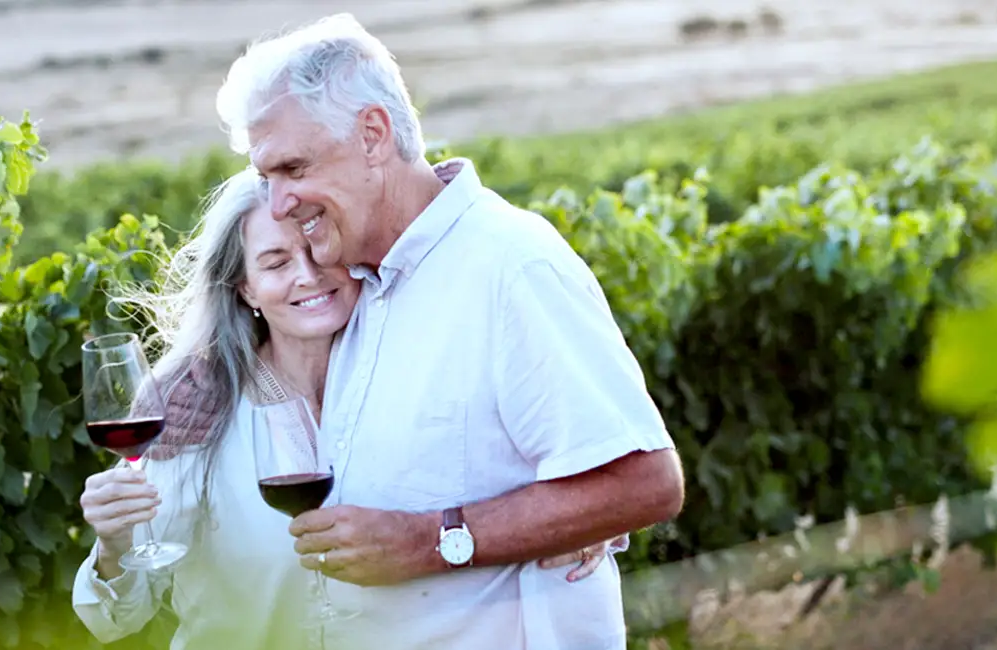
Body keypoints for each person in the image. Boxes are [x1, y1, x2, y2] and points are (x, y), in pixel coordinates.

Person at [204, 12, 687, 649]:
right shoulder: (357, 285)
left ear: (373, 135)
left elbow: (644, 482)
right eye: (267, 178)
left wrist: (429, 541)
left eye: (293, 169)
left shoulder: (510, 266)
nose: (278, 202)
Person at [71, 168, 626, 649]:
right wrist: (114, 546)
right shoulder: (193, 408)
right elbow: (115, 618)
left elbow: (494, 464)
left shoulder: (414, 375)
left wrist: (573, 521)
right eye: (275, 261)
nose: (307, 275)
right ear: (244, 288)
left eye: (318, 250)